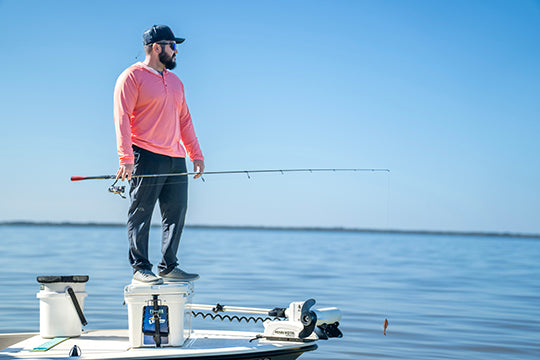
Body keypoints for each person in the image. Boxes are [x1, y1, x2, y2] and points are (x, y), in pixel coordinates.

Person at [113, 25, 205, 285]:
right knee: (141, 211)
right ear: (157, 47)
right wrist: (125, 158)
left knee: (177, 212)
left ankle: (168, 265)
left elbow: (185, 120)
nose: (176, 51)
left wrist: (195, 154)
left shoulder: (176, 82)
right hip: (144, 154)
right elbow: (121, 119)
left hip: (176, 158)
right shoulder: (131, 77)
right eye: (172, 46)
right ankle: (141, 267)